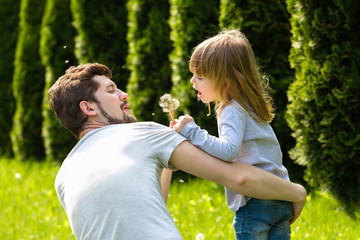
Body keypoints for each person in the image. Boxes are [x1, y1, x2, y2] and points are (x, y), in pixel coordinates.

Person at [49, 62, 306, 240]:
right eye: (111, 90)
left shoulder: (64, 175)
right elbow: (239, 178)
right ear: (89, 108)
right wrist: (297, 192)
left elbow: (147, 208)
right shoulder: (142, 133)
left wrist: (165, 155)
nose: (124, 94)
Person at [172, 29, 297, 240]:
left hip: (256, 202)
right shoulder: (250, 106)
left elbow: (228, 151)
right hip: (280, 198)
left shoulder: (231, 109)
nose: (192, 81)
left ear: (225, 81)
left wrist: (191, 131)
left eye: (200, 77)